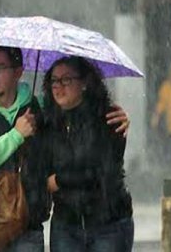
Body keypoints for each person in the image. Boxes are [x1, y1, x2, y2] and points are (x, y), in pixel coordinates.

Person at [0, 45, 130, 251]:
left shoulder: (38, 110)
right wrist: (16, 136)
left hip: (30, 224)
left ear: (18, 71)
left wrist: (57, 181)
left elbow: (89, 159)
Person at [42, 56, 134, 251]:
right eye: (54, 80)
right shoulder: (48, 124)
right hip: (66, 224)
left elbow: (100, 173)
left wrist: (58, 181)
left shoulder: (110, 119)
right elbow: (40, 169)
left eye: (66, 80)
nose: (59, 86)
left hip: (108, 223)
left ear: (84, 83)